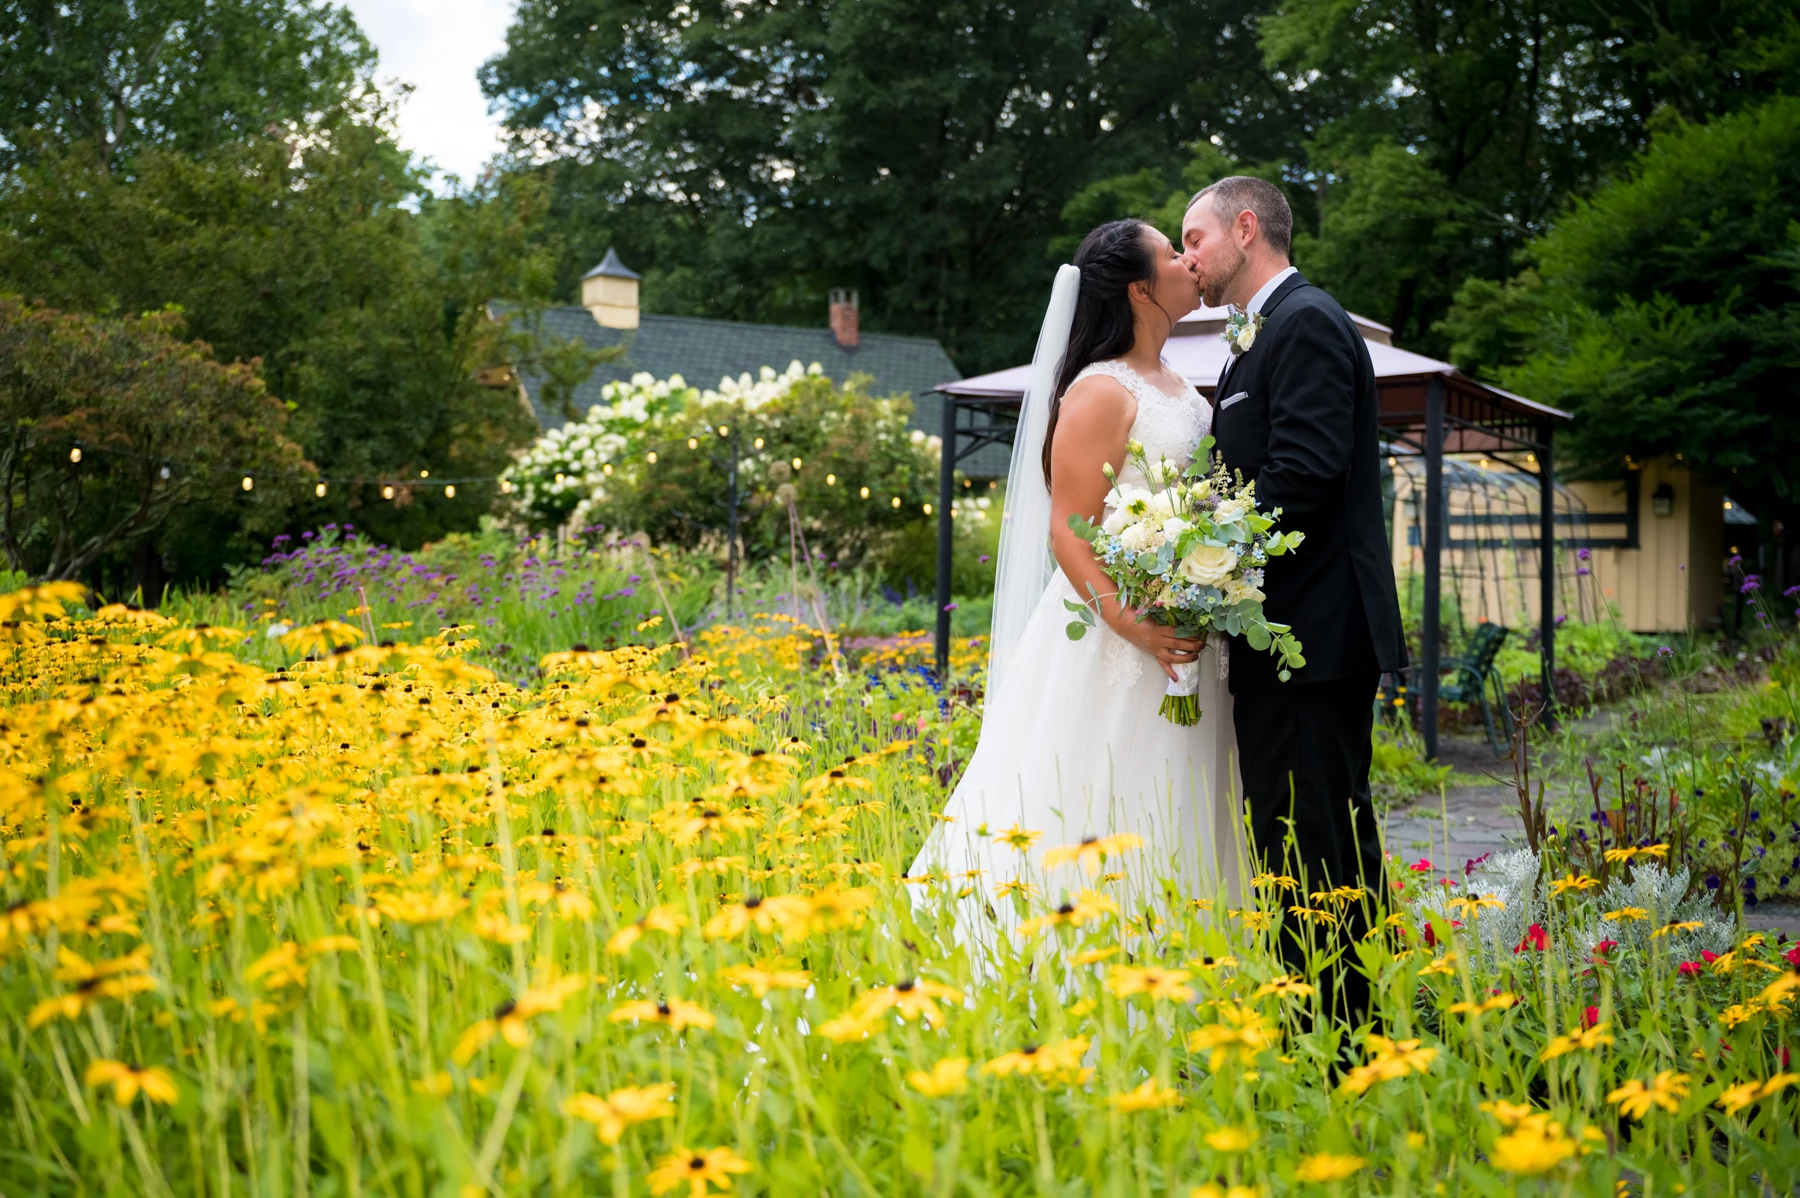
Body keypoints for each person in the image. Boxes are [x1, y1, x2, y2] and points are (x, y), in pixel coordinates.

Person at [908, 219, 1243, 943]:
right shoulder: (1100, 389)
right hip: (1115, 634)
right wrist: (1129, 620)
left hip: (1184, 622)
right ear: (1139, 288)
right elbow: (1068, 525)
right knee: (1099, 789)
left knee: (1182, 796)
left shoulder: (1181, 387)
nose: (1189, 262)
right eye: (1170, 255)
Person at [1180, 177, 1407, 1017]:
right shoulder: (1256, 336)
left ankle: (1340, 1037)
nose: (1188, 258)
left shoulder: (1306, 322)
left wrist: (1195, 558)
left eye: (1194, 238)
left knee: (1316, 841)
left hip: (1313, 632)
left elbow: (1304, 474)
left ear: (1246, 229)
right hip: (1282, 637)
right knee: (1296, 833)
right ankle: (1331, 1024)